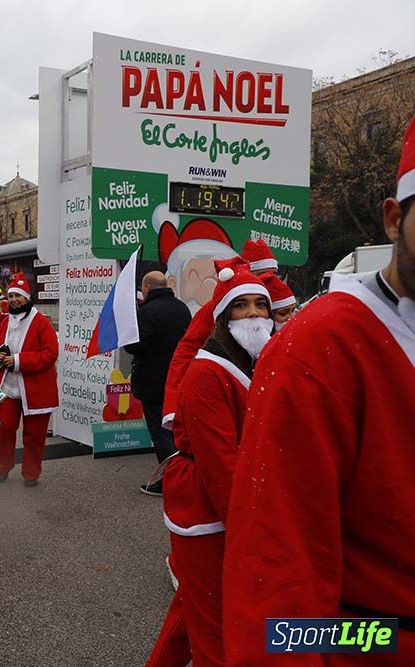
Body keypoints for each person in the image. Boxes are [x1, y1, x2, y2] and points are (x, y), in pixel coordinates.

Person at [222, 118, 415, 666]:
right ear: (394, 219)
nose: (261, 315)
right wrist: (380, 643)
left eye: (267, 305)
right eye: (248, 305)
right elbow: (275, 580)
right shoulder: (316, 347)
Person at [146, 266, 272, 667]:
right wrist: (255, 535)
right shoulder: (205, 374)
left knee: (190, 614)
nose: (253, 315)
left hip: (227, 504)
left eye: (259, 306)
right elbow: (222, 467)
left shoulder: (256, 362)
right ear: (223, 317)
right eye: (241, 306)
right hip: (207, 512)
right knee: (216, 633)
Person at [160, 238, 278, 430]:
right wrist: (173, 406)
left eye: (274, 274)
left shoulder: (277, 302)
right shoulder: (215, 309)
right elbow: (187, 349)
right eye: (263, 274)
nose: (271, 280)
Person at [123, 271, 191, 495]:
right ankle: (184, 475)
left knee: (160, 432)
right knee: (175, 430)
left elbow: (134, 346)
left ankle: (169, 479)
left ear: (148, 288)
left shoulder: (148, 312)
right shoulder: (182, 309)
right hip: (178, 379)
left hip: (152, 382)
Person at [0, 273, 58, 486]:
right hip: (8, 388)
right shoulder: (4, 321)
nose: (13, 300)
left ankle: (31, 474)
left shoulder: (41, 323)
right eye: (11, 296)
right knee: (3, 431)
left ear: (27, 298)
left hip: (35, 389)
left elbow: (50, 353)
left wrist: (18, 361)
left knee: (34, 436)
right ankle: (3, 466)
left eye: (18, 296)